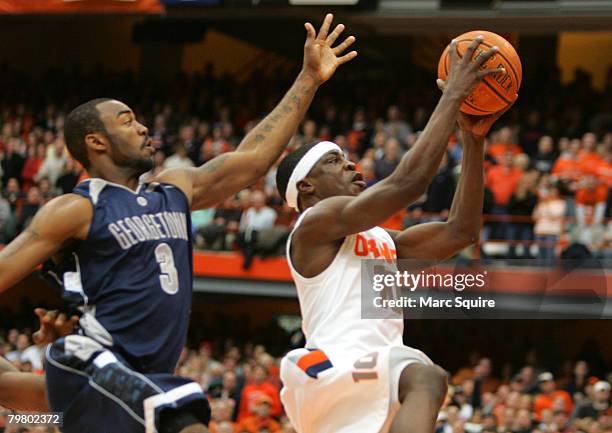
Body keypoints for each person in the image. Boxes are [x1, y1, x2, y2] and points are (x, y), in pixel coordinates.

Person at [0, 14, 356, 433]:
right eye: (127, 121)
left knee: (55, 410)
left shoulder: (174, 189)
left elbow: (255, 158)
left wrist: (308, 79)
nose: (143, 127)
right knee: (186, 424)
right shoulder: (76, 208)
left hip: (141, 374)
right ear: (96, 142)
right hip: (96, 358)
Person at [275, 37, 510, 433]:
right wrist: (453, 95)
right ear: (307, 188)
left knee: (422, 378)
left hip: (374, 372)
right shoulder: (313, 225)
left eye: (348, 159)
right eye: (335, 162)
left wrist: (473, 141)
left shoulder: (382, 240)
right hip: (335, 362)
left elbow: (461, 231)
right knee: (428, 378)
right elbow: (409, 184)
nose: (351, 166)